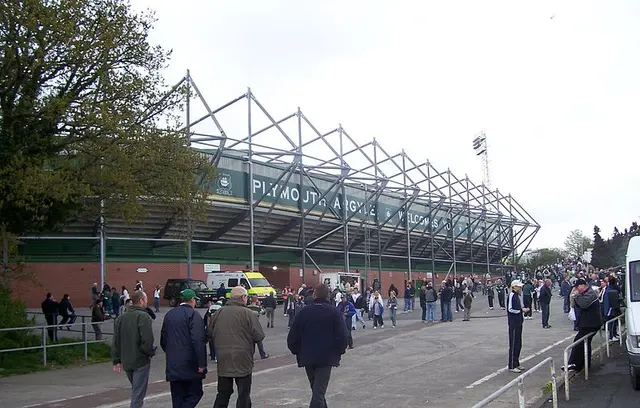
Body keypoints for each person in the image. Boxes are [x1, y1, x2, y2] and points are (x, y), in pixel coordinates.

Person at [287, 284, 348, 408]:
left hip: (308, 356)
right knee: (318, 393)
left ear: (314, 295)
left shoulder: (305, 311)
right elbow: (342, 335)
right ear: (328, 296)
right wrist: (340, 351)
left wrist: (296, 350)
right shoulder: (333, 312)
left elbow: (293, 336)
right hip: (326, 357)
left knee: (317, 390)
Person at [208, 286, 264, 408]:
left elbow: (209, 333)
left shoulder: (218, 312)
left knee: (223, 392)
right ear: (243, 297)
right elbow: (259, 335)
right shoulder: (248, 313)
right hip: (242, 358)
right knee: (243, 393)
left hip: (223, 358)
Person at [160, 289, 207, 408]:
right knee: (195, 393)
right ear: (192, 300)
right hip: (190, 363)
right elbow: (198, 340)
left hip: (173, 363)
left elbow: (163, 340)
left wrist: (171, 352)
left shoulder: (169, 314)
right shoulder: (193, 315)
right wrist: (201, 363)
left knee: (177, 397)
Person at [112, 290, 156, 408]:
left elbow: (116, 340)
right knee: (138, 393)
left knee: (136, 389)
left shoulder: (122, 317)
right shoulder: (143, 316)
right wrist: (149, 352)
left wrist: (116, 359)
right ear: (141, 300)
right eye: (145, 299)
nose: (147, 301)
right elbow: (147, 339)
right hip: (140, 359)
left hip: (126, 360)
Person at [564, 279, 602, 372]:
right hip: (587, 323)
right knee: (585, 342)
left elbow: (583, 304)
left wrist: (576, 296)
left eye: (578, 287)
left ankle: (574, 363)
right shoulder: (586, 293)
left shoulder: (590, 293)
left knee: (579, 342)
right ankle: (583, 363)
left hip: (591, 324)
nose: (577, 289)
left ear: (583, 285)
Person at [507, 280, 528, 373]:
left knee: (518, 343)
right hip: (514, 323)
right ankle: (512, 365)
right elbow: (510, 309)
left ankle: (516, 363)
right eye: (518, 287)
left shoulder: (517, 295)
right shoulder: (512, 295)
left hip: (519, 322)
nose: (520, 288)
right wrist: (521, 310)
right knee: (514, 344)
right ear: (514, 287)